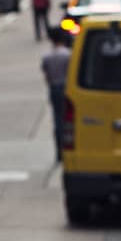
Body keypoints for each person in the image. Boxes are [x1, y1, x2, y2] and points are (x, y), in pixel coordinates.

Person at [41, 29, 72, 161]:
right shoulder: (68, 55)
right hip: (67, 88)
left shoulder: (47, 57)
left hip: (54, 89)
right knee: (69, 121)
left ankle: (59, 151)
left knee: (57, 121)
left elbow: (47, 76)